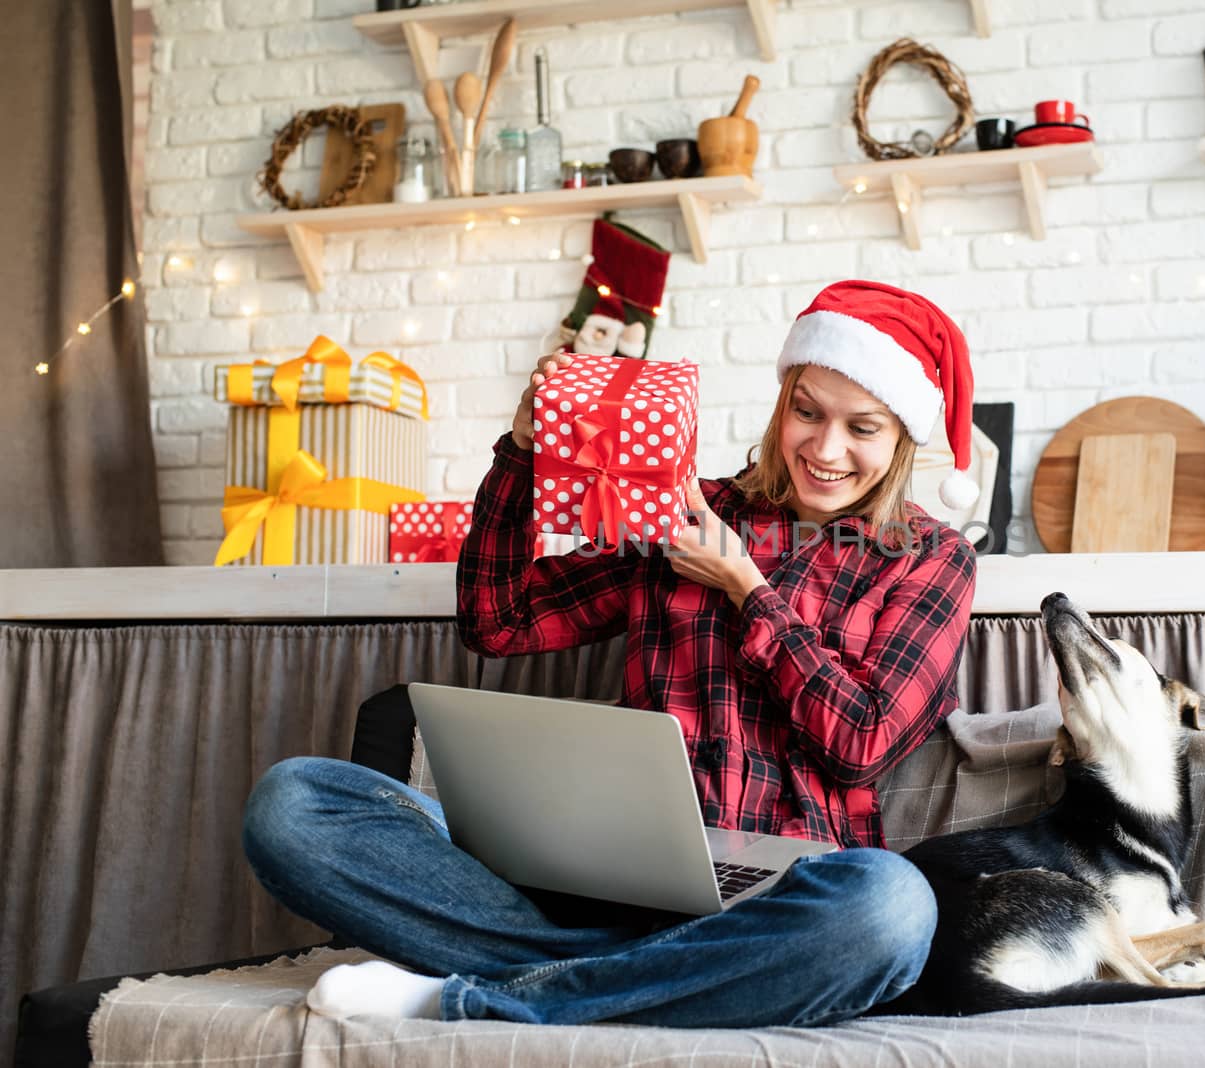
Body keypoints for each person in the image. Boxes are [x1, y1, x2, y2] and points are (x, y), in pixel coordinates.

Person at [241, 280, 980, 1029]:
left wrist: (745, 587)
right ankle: (639, 980)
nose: (825, 449)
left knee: (891, 909)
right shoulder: (688, 509)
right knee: (294, 801)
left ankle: (480, 994)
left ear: (901, 440)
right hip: (610, 884)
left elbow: (862, 741)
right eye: (807, 411)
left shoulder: (929, 558)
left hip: (775, 903)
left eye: (863, 428)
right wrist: (524, 449)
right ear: (782, 400)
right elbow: (499, 620)